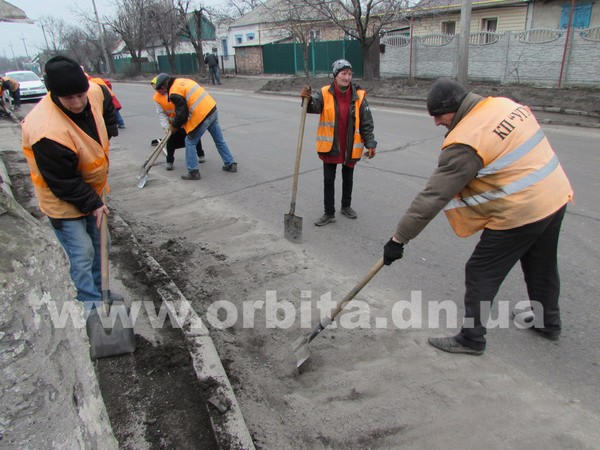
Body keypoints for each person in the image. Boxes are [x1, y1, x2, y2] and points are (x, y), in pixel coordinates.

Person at [382, 77, 573, 355]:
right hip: (554, 194)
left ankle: (471, 338)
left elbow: (433, 197)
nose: (436, 122)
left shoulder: (467, 140)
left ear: (455, 107)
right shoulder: (501, 104)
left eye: (438, 115)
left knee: (481, 269)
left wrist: (398, 239)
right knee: (541, 263)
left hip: (522, 208)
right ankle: (548, 321)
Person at [21, 55, 120, 309]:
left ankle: (102, 292)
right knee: (82, 252)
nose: (77, 103)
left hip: (93, 191)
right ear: (55, 94)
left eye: (80, 95)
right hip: (62, 201)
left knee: (100, 245)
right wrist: (93, 203)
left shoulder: (93, 92)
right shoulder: (45, 129)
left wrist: (108, 129)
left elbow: (107, 99)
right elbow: (63, 182)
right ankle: (91, 305)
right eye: (69, 98)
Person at [300, 59, 377, 226]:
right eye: (343, 73)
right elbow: (313, 107)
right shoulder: (324, 92)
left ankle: (346, 206)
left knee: (348, 178)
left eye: (349, 74)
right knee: (329, 180)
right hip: (331, 145)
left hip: (350, 145)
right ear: (335, 75)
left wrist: (370, 143)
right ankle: (329, 213)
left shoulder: (359, 95)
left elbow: (366, 122)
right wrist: (306, 100)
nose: (347, 77)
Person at [151, 73, 237, 180]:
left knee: (190, 141)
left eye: (160, 90)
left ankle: (193, 171)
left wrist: (174, 127)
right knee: (219, 139)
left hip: (202, 115)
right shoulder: (182, 81)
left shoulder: (174, 93)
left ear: (164, 86)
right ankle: (230, 163)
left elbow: (182, 114)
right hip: (212, 109)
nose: (161, 92)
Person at [150, 74, 205, 170]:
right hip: (173, 124)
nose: (158, 90)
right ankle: (169, 161)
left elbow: (185, 106)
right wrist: (166, 127)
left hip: (185, 120)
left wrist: (185, 119)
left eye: (159, 87)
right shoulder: (157, 98)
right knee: (170, 142)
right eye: (156, 89)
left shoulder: (174, 91)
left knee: (194, 137)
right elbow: (161, 114)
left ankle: (201, 155)